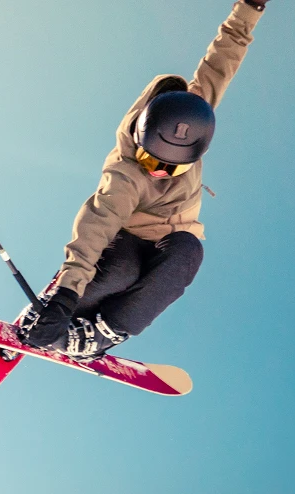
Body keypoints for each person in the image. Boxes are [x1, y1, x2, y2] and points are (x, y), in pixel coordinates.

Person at [20, 0, 270, 361]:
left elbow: (223, 56)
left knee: (188, 252)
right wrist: (64, 296)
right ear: (141, 140)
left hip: (169, 243)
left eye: (172, 168)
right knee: (120, 271)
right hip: (125, 239)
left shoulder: (194, 112)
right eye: (151, 161)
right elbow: (97, 224)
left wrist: (250, 7)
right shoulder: (126, 171)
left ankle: (101, 333)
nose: (159, 172)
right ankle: (59, 313)